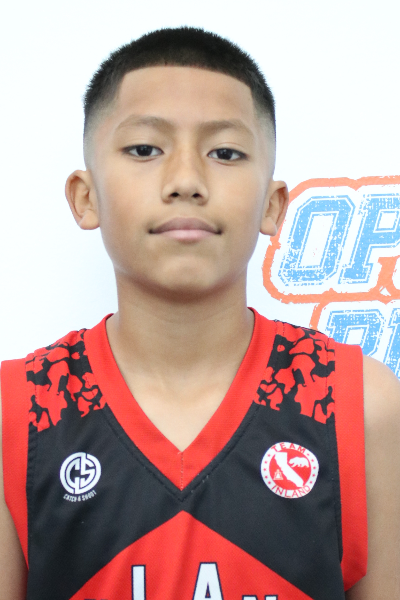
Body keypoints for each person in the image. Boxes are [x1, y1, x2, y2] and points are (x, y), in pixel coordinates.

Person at [0, 26, 399, 600]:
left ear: (272, 205)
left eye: (225, 153)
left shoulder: (359, 405)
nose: (186, 181)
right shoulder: (18, 412)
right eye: (145, 149)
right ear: (86, 197)